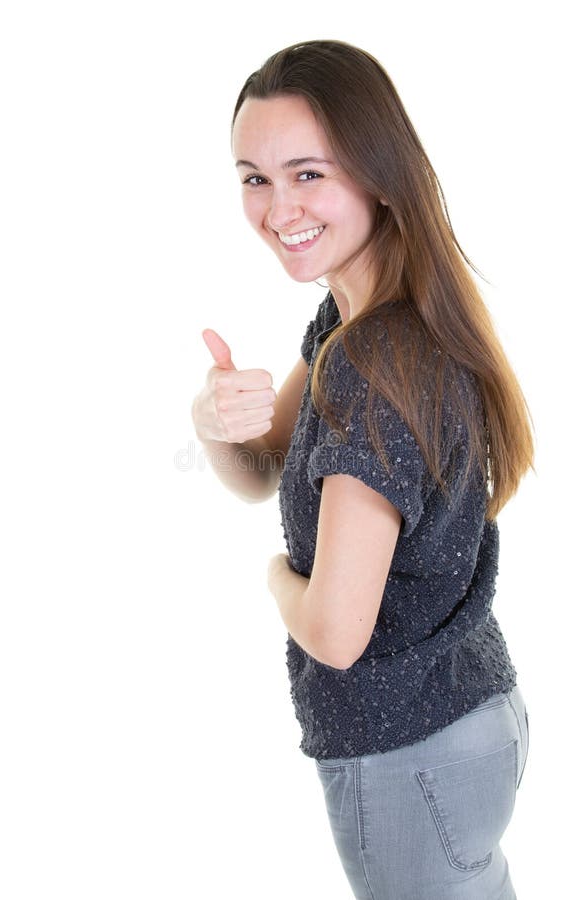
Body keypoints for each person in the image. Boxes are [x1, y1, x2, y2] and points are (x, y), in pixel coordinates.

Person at [191, 39, 534, 900]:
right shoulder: (366, 319)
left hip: (410, 753)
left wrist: (277, 576)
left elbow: (336, 635)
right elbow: (263, 466)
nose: (277, 208)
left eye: (308, 173)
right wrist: (214, 423)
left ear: (379, 172)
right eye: (253, 177)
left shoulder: (371, 359)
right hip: (466, 716)